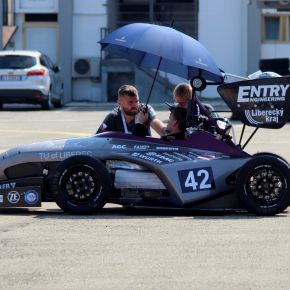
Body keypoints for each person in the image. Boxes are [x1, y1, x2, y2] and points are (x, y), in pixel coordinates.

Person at [96, 85, 164, 135]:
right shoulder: (113, 116)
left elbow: (162, 131)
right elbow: (98, 139)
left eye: (137, 101)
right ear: (119, 103)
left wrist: (171, 135)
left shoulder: (145, 110)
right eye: (130, 102)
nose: (135, 105)